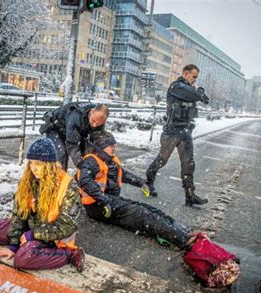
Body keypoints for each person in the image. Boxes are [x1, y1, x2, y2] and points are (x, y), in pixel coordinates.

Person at [76, 131, 195, 249]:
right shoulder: (90, 161)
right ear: (100, 147)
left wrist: (141, 183)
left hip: (110, 200)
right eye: (110, 145)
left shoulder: (109, 160)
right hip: (98, 206)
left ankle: (183, 230)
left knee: (150, 209)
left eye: (114, 145)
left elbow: (123, 174)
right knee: (141, 214)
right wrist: (103, 200)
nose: (114, 148)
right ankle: (183, 239)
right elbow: (85, 181)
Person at [0, 138, 85, 272]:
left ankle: (68, 254)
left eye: (39, 164)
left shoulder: (68, 185)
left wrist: (33, 235)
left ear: (50, 165)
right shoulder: (27, 181)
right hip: (30, 227)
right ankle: (26, 245)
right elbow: (18, 214)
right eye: (31, 163)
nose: (34, 168)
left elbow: (67, 225)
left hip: (53, 236)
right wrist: (14, 245)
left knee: (23, 259)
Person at [145, 64, 210, 206]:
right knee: (162, 160)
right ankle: (148, 181)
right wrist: (200, 93)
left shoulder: (190, 89)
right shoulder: (176, 87)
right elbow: (192, 95)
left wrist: (199, 94)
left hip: (185, 132)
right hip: (172, 131)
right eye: (193, 76)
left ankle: (190, 195)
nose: (195, 80)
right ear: (186, 74)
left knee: (189, 164)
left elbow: (197, 97)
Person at [40, 102, 109, 170]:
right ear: (91, 112)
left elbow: (96, 143)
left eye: (99, 124)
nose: (94, 125)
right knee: (61, 154)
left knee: (88, 152)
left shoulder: (99, 121)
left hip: (74, 130)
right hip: (56, 128)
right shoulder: (76, 117)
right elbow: (72, 144)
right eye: (93, 120)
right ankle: (57, 178)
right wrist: (80, 164)